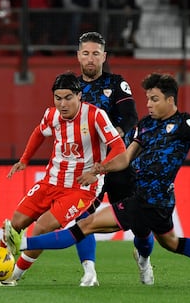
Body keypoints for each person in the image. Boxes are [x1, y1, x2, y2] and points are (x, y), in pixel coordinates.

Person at [4, 72, 190, 289]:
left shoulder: (184, 124)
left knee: (85, 226)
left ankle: (23, 243)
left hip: (146, 200)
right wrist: (102, 169)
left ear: (170, 100)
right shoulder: (145, 125)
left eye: (154, 99)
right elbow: (125, 160)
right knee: (171, 243)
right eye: (148, 98)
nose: (148, 104)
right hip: (154, 200)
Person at [0, 72, 126, 286]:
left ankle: (14, 275)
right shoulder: (51, 115)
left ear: (79, 96)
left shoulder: (95, 116)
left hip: (81, 187)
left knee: (41, 228)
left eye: (68, 98)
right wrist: (25, 159)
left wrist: (97, 170)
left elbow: (119, 147)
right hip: (51, 180)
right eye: (58, 98)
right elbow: (39, 132)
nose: (62, 104)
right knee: (16, 222)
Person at [73, 31, 154, 287]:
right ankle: (89, 272)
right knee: (82, 217)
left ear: (103, 56)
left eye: (96, 53)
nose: (90, 58)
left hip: (119, 165)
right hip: (90, 166)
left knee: (140, 225)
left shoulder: (117, 84)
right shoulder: (71, 88)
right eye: (85, 53)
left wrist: (114, 135)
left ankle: (144, 259)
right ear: (78, 56)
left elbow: (131, 117)